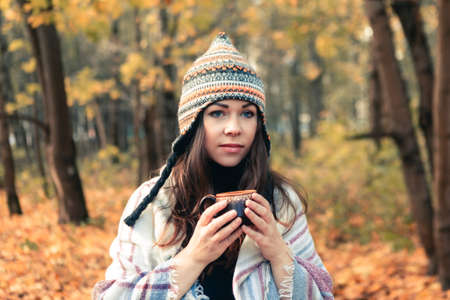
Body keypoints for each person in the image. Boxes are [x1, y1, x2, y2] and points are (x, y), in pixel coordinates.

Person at [93, 32, 333, 300]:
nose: (234, 128)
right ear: (193, 124)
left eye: (247, 113)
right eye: (218, 113)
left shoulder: (281, 200)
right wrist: (193, 258)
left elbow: (322, 295)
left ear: (260, 124)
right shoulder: (153, 204)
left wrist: (278, 253)